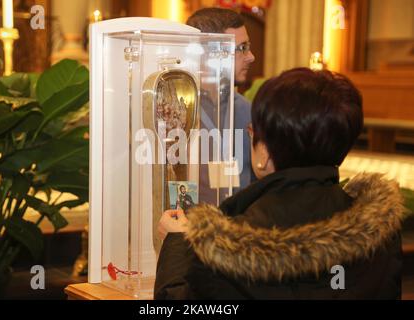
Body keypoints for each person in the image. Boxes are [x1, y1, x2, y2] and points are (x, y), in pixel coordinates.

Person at [154, 68, 405, 300]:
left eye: (253, 132)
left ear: (264, 153)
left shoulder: (227, 246)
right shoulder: (380, 232)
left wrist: (177, 244)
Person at [187, 8, 256, 192]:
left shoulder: (248, 111)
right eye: (242, 48)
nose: (251, 57)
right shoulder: (179, 111)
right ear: (211, 53)